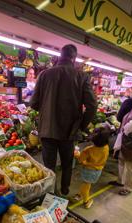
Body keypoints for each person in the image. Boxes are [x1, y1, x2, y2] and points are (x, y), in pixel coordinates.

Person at [30, 44, 97, 195]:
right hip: (70, 131)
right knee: (67, 164)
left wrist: (47, 109)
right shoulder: (82, 76)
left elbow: (33, 104)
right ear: (74, 59)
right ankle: (65, 190)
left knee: (49, 166)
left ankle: (50, 193)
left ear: (60, 56)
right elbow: (92, 106)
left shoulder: (44, 75)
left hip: (47, 129)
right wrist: (81, 125)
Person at [111, 84, 132, 195]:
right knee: (121, 160)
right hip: (125, 138)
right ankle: (120, 181)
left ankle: (128, 188)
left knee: (131, 164)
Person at [73, 127, 110, 208]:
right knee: (87, 184)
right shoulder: (106, 147)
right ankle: (80, 194)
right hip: (98, 170)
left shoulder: (88, 149)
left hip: (88, 170)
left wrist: (76, 153)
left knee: (86, 185)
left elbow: (80, 159)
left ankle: (86, 201)